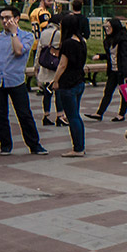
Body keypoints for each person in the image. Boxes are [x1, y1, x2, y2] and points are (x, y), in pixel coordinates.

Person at [0, 6, 48, 156]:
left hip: (16, 80)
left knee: (24, 113)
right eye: (2, 18)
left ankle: (34, 144)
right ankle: (5, 145)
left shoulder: (27, 36)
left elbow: (18, 51)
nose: (4, 21)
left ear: (16, 19)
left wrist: (14, 33)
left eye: (7, 17)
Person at [46, 13, 92, 157]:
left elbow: (62, 65)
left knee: (72, 117)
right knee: (75, 116)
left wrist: (56, 81)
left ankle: (77, 148)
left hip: (68, 83)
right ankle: (80, 146)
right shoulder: (81, 41)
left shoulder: (67, 43)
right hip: (79, 81)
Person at [89, 18, 127, 122]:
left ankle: (121, 114)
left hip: (121, 71)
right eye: (106, 27)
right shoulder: (110, 39)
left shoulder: (123, 39)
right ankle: (99, 113)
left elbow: (125, 57)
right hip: (112, 70)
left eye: (109, 27)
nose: (107, 29)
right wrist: (100, 56)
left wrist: (126, 75)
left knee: (124, 92)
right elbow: (110, 55)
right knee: (108, 91)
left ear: (114, 27)